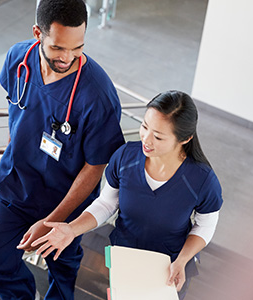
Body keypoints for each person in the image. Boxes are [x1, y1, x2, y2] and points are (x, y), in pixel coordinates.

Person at [0, 0, 125, 299]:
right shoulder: (18, 59)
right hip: (15, 187)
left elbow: (95, 166)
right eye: (58, 48)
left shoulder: (97, 95)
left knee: (62, 265)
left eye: (77, 47)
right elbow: (16, 108)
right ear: (37, 33)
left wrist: (52, 221)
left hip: (65, 201)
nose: (67, 57)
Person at [32, 90, 223, 299]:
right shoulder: (125, 157)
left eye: (158, 136)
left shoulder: (202, 180)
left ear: (185, 139)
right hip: (124, 256)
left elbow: (205, 224)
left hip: (169, 266)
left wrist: (183, 260)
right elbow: (106, 204)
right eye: (144, 127)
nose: (146, 140)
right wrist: (71, 229)